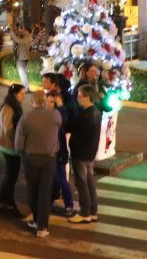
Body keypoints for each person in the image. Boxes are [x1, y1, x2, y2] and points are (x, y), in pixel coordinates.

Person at [14, 91, 61, 238]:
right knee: (45, 192)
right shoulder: (55, 115)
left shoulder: (26, 117)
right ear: (45, 101)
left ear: (33, 102)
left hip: (31, 158)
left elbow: (18, 143)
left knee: (33, 190)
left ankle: (35, 220)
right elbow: (56, 130)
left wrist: (22, 152)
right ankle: (43, 227)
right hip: (49, 157)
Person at [67, 84, 103, 224]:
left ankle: (84, 212)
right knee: (89, 183)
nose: (77, 98)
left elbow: (69, 127)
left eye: (80, 96)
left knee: (81, 183)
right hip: (90, 153)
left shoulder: (84, 116)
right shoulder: (97, 112)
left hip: (80, 153)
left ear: (87, 97)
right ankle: (93, 211)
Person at [41, 78, 73, 217]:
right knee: (48, 179)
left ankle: (69, 205)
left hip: (58, 153)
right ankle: (48, 202)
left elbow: (63, 121)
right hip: (47, 153)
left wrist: (60, 106)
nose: (48, 104)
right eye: (47, 101)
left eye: (52, 102)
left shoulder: (59, 115)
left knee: (61, 179)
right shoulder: (44, 114)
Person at [0, 83, 25, 217]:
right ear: (14, 94)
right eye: (22, 94)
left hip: (12, 146)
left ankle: (2, 203)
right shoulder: (9, 108)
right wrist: (20, 139)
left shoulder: (15, 106)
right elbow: (8, 129)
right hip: (9, 147)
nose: (24, 96)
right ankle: (9, 204)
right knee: (11, 177)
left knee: (10, 176)